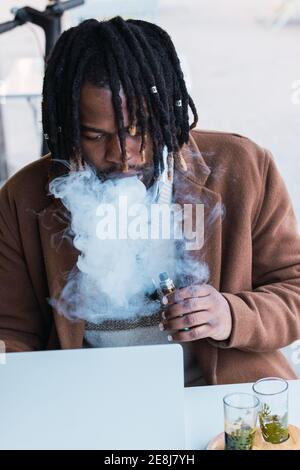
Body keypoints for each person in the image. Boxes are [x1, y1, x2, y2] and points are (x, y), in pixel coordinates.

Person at [0, 16, 299, 385]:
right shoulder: (23, 197)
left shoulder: (244, 167)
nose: (124, 156)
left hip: (217, 399)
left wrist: (231, 314)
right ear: (66, 128)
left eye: (141, 132)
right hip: (88, 397)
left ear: (168, 116)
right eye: (95, 136)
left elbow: (294, 289)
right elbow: (13, 331)